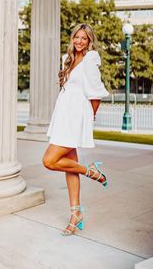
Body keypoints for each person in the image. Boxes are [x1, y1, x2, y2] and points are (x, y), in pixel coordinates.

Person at [43, 23, 109, 236]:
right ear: (73, 39)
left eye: (84, 38)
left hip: (75, 116)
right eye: (77, 37)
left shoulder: (90, 60)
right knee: (69, 167)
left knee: (49, 161)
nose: (79, 41)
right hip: (63, 113)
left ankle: (91, 172)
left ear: (90, 41)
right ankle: (76, 214)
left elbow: (96, 94)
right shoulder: (67, 59)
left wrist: (90, 119)